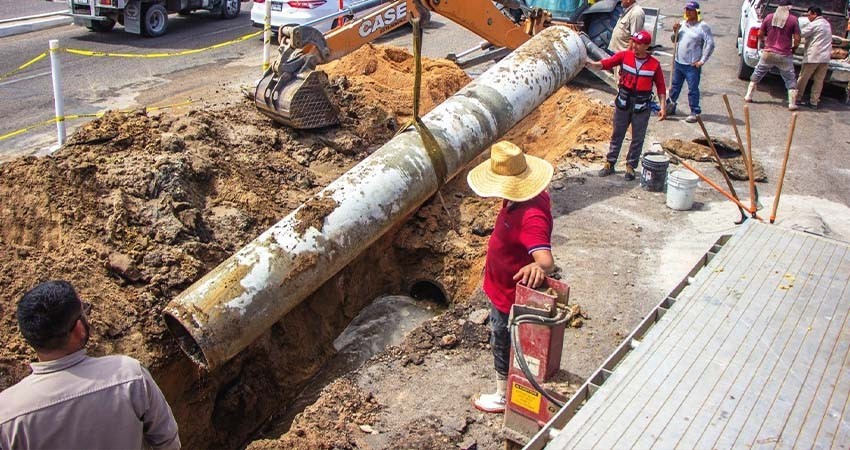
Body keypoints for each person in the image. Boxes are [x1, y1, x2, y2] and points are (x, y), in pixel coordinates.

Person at [0, 280, 181, 450]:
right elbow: (168, 441)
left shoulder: (7, 415)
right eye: (84, 311)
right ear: (78, 328)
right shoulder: (129, 375)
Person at [468, 141, 555, 414]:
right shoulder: (522, 199)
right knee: (503, 338)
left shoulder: (531, 216)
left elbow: (546, 260)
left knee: (503, 340)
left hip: (508, 297)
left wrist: (537, 267)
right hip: (499, 288)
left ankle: (503, 394)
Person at [587, 30, 667, 181]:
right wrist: (591, 64)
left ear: (646, 46)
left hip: (641, 107)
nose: (634, 46)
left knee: (638, 137)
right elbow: (606, 63)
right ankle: (610, 163)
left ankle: (630, 167)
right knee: (617, 134)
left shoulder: (654, 65)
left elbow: (661, 87)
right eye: (634, 42)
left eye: (638, 44)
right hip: (623, 103)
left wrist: (663, 107)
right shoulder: (625, 56)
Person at [744, 0, 801, 110]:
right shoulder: (793, 20)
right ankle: (792, 104)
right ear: (789, 8)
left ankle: (748, 96)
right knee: (790, 78)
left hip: (768, 52)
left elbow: (760, 34)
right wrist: (793, 48)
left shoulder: (769, 17)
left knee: (758, 72)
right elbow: (797, 39)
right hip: (784, 54)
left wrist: (765, 42)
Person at [667, 1, 715, 123]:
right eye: (687, 10)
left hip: (692, 65)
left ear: (696, 12)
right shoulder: (682, 24)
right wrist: (675, 31)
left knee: (693, 89)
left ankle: (695, 112)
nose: (688, 12)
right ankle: (670, 106)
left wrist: (702, 61)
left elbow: (710, 44)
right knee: (675, 87)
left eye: (691, 10)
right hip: (679, 62)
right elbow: (674, 40)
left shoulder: (703, 26)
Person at [795, 6, 833, 109]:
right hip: (825, 58)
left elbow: (801, 34)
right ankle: (814, 102)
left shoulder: (815, 24)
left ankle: (797, 98)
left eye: (809, 15)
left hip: (813, 56)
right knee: (819, 81)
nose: (808, 17)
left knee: (803, 78)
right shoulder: (827, 24)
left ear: (815, 14)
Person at [607, 0, 646, 81]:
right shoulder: (628, 11)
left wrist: (627, 60)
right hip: (619, 56)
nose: (621, 1)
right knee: (618, 83)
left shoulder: (636, 13)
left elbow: (635, 39)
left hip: (624, 58)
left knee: (623, 86)